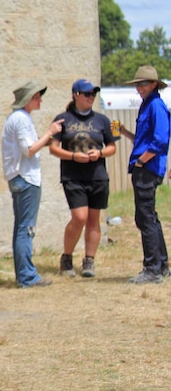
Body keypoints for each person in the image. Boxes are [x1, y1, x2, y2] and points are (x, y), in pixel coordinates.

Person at [48, 79, 118, 278]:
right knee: (80, 217)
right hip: (73, 176)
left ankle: (89, 261)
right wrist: (72, 156)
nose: (91, 97)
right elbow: (53, 148)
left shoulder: (103, 120)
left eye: (93, 94)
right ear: (75, 95)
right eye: (87, 94)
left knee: (94, 220)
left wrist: (100, 154)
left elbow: (113, 147)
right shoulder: (63, 119)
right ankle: (67, 257)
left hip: (97, 176)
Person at [1, 81, 62, 288]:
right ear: (27, 99)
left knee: (21, 227)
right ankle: (27, 276)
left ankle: (24, 274)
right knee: (26, 228)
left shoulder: (17, 118)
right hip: (25, 178)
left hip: (19, 177)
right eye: (37, 97)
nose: (40, 100)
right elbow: (29, 150)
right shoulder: (21, 119)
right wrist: (50, 132)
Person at [118, 65, 170, 284]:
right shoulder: (148, 105)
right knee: (149, 217)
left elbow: (159, 140)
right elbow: (143, 139)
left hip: (147, 169)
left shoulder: (156, 106)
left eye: (142, 84)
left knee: (145, 217)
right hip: (144, 167)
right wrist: (124, 132)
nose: (138, 88)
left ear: (153, 85)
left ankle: (152, 269)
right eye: (137, 84)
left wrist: (141, 162)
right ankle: (162, 265)